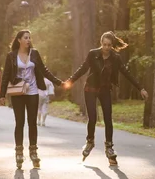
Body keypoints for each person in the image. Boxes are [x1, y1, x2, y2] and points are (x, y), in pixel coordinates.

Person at [63, 31, 148, 166]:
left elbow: (127, 73)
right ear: (101, 44)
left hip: (105, 90)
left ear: (112, 45)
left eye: (109, 45)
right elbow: (83, 68)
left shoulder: (115, 58)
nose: (106, 47)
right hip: (90, 89)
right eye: (104, 45)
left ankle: (109, 147)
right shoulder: (93, 54)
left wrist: (140, 88)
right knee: (92, 118)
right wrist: (70, 81)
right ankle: (90, 142)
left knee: (108, 119)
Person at [0, 30, 63, 169]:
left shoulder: (34, 53)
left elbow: (44, 70)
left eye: (29, 38)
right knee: (20, 122)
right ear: (19, 40)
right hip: (18, 92)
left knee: (32, 122)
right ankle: (19, 152)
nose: (28, 40)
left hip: (33, 91)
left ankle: (33, 152)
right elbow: (6, 75)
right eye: (25, 38)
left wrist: (58, 82)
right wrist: (2, 95)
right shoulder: (11, 56)